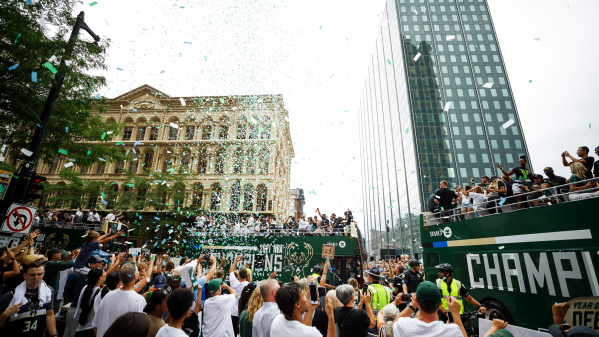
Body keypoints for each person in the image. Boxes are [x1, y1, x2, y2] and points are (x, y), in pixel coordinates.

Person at [0, 258, 58, 337]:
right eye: (32, 275)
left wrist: (54, 335)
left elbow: (49, 315)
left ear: (44, 274)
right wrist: (5, 314)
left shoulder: (48, 292)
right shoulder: (10, 296)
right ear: (25, 275)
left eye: (39, 274)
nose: (36, 277)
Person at [392, 281, 467, 337]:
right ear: (440, 304)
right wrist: (455, 314)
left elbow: (394, 324)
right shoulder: (453, 331)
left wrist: (412, 305)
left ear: (417, 302)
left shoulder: (403, 326)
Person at [92, 262, 146, 337]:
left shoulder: (107, 296)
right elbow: (138, 331)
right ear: (135, 276)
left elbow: (95, 326)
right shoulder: (139, 300)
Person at [270, 282, 336, 337]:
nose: (307, 299)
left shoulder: (276, 321)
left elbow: (303, 329)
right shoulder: (312, 333)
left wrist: (310, 310)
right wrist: (331, 316)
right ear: (297, 304)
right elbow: (305, 332)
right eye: (304, 296)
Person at [229, 255, 250, 336]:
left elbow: (231, 271)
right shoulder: (248, 285)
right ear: (247, 276)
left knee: (233, 333)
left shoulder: (234, 282)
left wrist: (235, 261)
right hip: (243, 312)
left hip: (233, 312)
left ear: (238, 275)